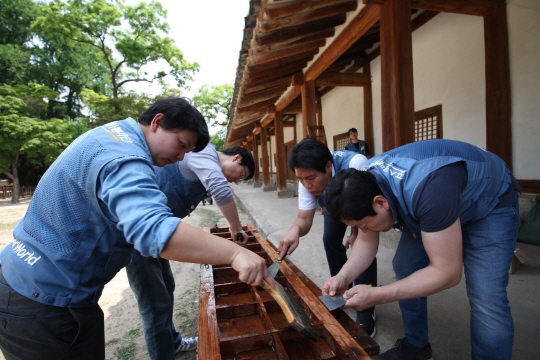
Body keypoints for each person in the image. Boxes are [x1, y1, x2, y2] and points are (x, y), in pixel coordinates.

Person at [0, 97, 273, 360]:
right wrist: (236, 254)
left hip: (24, 282)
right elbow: (152, 228)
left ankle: (173, 343)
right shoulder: (125, 157)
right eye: (181, 144)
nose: (180, 158)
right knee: (154, 303)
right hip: (44, 303)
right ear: (157, 122)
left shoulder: (111, 135)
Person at [322, 139, 521, 360]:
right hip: (438, 202)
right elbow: (367, 241)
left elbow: (448, 273)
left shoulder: (428, 190)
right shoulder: (364, 181)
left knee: (487, 298)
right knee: (405, 265)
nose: (362, 231)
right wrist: (344, 276)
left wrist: (377, 295)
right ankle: (417, 348)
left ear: (381, 202)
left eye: (362, 225)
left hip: (488, 201)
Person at [126, 144, 255, 358]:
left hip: (159, 233)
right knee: (154, 305)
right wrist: (236, 228)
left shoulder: (208, 162)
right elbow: (219, 187)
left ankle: (173, 343)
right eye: (241, 175)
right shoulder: (204, 152)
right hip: (140, 235)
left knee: (166, 286)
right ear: (236, 158)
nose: (237, 181)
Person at [277, 138, 377, 336]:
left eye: (311, 178)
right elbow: (304, 219)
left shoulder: (356, 164)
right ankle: (340, 291)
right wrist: (295, 231)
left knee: (362, 246)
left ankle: (367, 310)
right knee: (330, 239)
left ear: (329, 166)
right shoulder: (305, 179)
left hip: (358, 206)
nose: (306, 185)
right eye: (300, 179)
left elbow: (367, 211)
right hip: (334, 206)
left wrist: (354, 232)